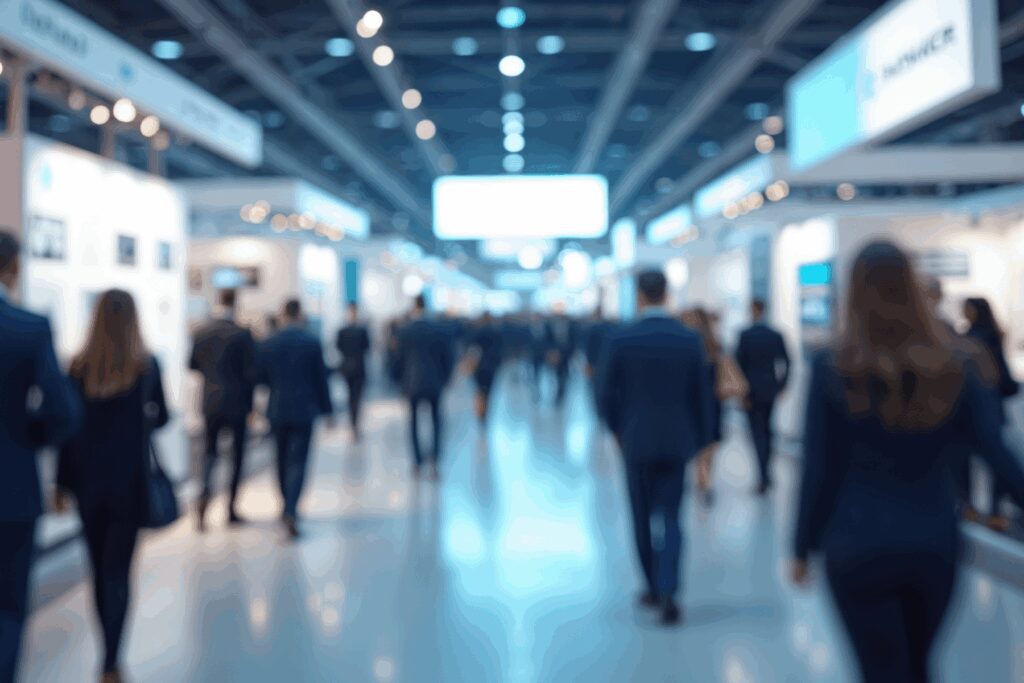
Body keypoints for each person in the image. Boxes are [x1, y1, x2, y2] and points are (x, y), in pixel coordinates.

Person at [791, 241, 1024, 682]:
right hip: (931, 543)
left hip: (855, 544)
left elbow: (818, 468)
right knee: (918, 666)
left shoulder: (832, 366)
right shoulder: (955, 365)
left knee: (878, 670)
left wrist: (801, 547)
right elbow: (997, 453)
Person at [56, 290, 169, 683]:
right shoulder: (146, 365)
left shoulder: (78, 366)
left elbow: (67, 433)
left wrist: (60, 483)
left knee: (97, 568)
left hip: (88, 484)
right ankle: (111, 659)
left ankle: (107, 649)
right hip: (130, 483)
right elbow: (164, 416)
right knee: (118, 571)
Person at [599, 270, 714, 626]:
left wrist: (617, 429)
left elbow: (604, 394)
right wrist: (702, 439)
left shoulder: (622, 338)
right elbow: (703, 395)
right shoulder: (689, 339)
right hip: (677, 442)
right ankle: (670, 590)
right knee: (672, 517)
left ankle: (650, 586)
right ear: (666, 294)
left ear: (639, 296)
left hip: (636, 442)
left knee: (641, 517)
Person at [0, 231, 81, 683]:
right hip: (11, 488)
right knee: (8, 606)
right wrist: (26, 436)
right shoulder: (28, 327)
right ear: (12, 270)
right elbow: (62, 410)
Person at [257, 299, 333, 539]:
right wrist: (328, 410)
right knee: (298, 461)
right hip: (304, 409)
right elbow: (320, 379)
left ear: (282, 313)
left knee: (280, 460)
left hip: (278, 409)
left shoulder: (270, 342)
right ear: (300, 313)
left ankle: (285, 504)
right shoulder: (311, 342)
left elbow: (261, 377)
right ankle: (291, 507)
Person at [189, 289, 257, 531]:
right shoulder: (242, 334)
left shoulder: (202, 331)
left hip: (211, 401)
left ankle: (203, 500)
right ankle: (231, 508)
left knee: (209, 453)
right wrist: (252, 407)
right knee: (237, 456)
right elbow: (251, 373)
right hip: (237, 403)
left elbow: (192, 365)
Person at [963, 296, 1021, 532]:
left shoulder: (969, 341)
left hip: (975, 404)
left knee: (966, 458)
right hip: (992, 404)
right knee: (995, 454)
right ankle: (996, 510)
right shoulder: (992, 336)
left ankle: (970, 507)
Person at [736, 298, 790, 494]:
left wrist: (740, 391)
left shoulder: (745, 335)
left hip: (751, 391)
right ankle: (766, 473)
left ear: (753, 310)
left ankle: (763, 475)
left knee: (757, 433)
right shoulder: (775, 335)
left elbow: (738, 365)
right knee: (768, 430)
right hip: (770, 389)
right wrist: (783, 384)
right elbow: (786, 361)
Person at [397, 295, 455, 479]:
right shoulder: (438, 329)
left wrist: (399, 382)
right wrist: (446, 378)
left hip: (412, 382)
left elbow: (398, 360)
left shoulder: (405, 330)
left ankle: (417, 461)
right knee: (436, 421)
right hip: (435, 382)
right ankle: (435, 461)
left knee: (413, 422)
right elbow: (447, 356)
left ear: (414, 306)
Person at [682, 307, 728, 505]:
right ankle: (705, 476)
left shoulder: (688, 345)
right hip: (712, 399)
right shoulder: (714, 344)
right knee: (709, 440)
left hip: (698, 399)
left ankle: (703, 476)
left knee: (705, 439)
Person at [336, 302, 372, 441]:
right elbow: (367, 347)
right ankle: (354, 425)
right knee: (354, 398)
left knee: (354, 398)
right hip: (356, 368)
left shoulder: (344, 331)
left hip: (350, 368)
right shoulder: (359, 330)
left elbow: (338, 346)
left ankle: (354, 424)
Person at [465, 312, 503, 424]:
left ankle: (480, 413)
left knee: (479, 391)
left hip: (479, 367)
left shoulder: (478, 332)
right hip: (491, 367)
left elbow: (473, 350)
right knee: (488, 392)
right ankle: (485, 412)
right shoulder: (496, 333)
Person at [546, 304, 576, 405]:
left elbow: (573, 338)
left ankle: (562, 390)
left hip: (566, 352)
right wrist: (551, 351)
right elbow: (548, 339)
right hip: (556, 353)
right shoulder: (550, 324)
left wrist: (572, 351)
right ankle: (559, 392)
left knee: (564, 372)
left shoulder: (571, 324)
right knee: (557, 373)